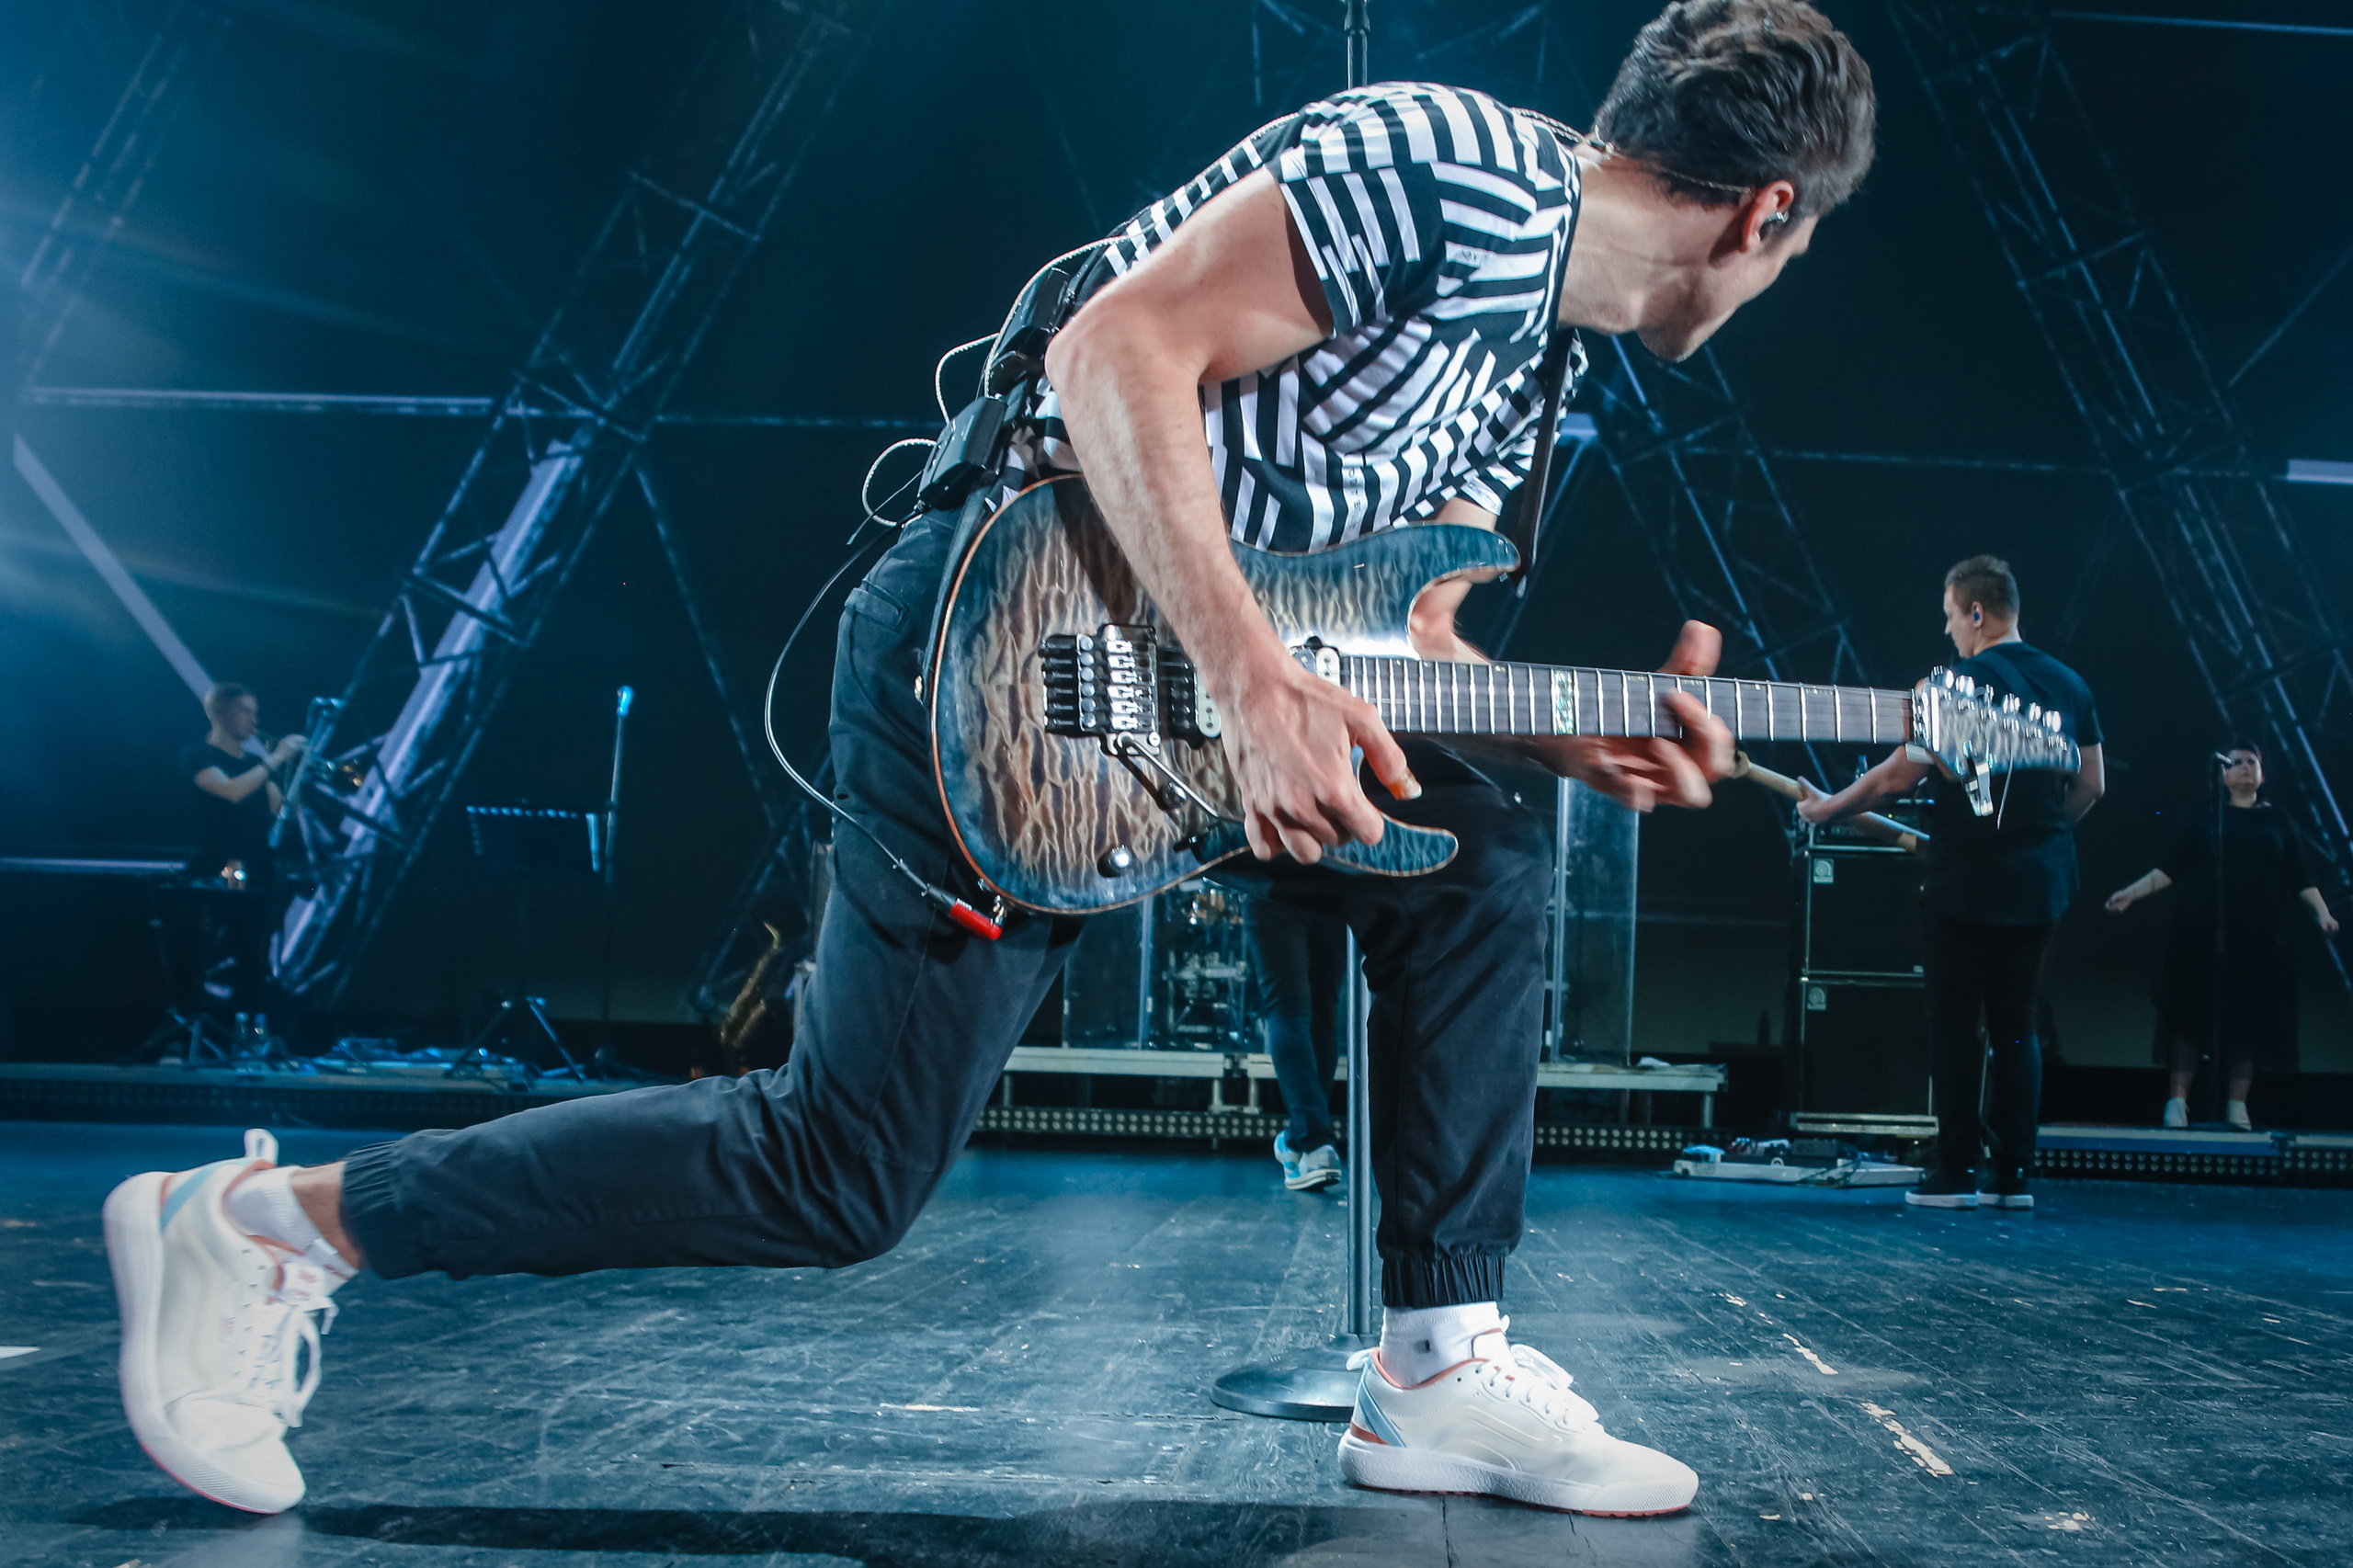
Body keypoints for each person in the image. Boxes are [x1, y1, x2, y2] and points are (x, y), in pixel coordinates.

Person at [105, 1, 1873, 1519]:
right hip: (1002, 658)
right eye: (1800, 255)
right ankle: (267, 1223)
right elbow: (1116, 351)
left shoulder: (1532, 367)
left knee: (1480, 853)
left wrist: (1556, 722)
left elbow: (1385, 634)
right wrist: (1253, 683)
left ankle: (1437, 1365)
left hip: (1179, 721)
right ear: (1769, 213)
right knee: (831, 1175)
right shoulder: (1446, 165)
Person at [1798, 556, 2103, 1212]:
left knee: (1955, 1026)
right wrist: (2039, 834)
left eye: (1950, 616)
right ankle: (2013, 1177)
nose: (1948, 631)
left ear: (1976, 613)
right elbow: (2092, 785)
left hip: (1966, 877)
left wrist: (1826, 808)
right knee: (2017, 1026)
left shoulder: (1953, 687)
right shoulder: (2071, 685)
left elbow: (1894, 778)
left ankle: (1956, 1171)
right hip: (2040, 878)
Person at [2104, 744, 2337, 1131]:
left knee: (2249, 1020)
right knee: (2190, 1016)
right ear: (2223, 775)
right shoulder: (2206, 817)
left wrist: (2323, 912)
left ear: (2262, 775)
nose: (2244, 767)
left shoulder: (2278, 820)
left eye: (2251, 762)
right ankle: (2177, 1103)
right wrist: (2131, 893)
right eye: (2236, 763)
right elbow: (2171, 868)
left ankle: (2237, 1106)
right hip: (2203, 930)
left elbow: (2300, 875)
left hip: (2258, 935)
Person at [178, 683, 306, 1012]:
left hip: (258, 865)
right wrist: (275, 759)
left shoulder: (255, 762)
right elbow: (232, 791)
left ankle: (250, 1022)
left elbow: (282, 811)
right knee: (221, 941)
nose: (253, 719)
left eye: (255, 712)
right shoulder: (199, 755)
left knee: (254, 951)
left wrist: (295, 771)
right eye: (245, 711)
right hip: (224, 865)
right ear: (219, 713)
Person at [1244, 895, 1349, 1190]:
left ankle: (1315, 1145)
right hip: (1334, 889)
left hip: (1272, 887)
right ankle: (1299, 1140)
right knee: (1324, 1014)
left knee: (1287, 1011)